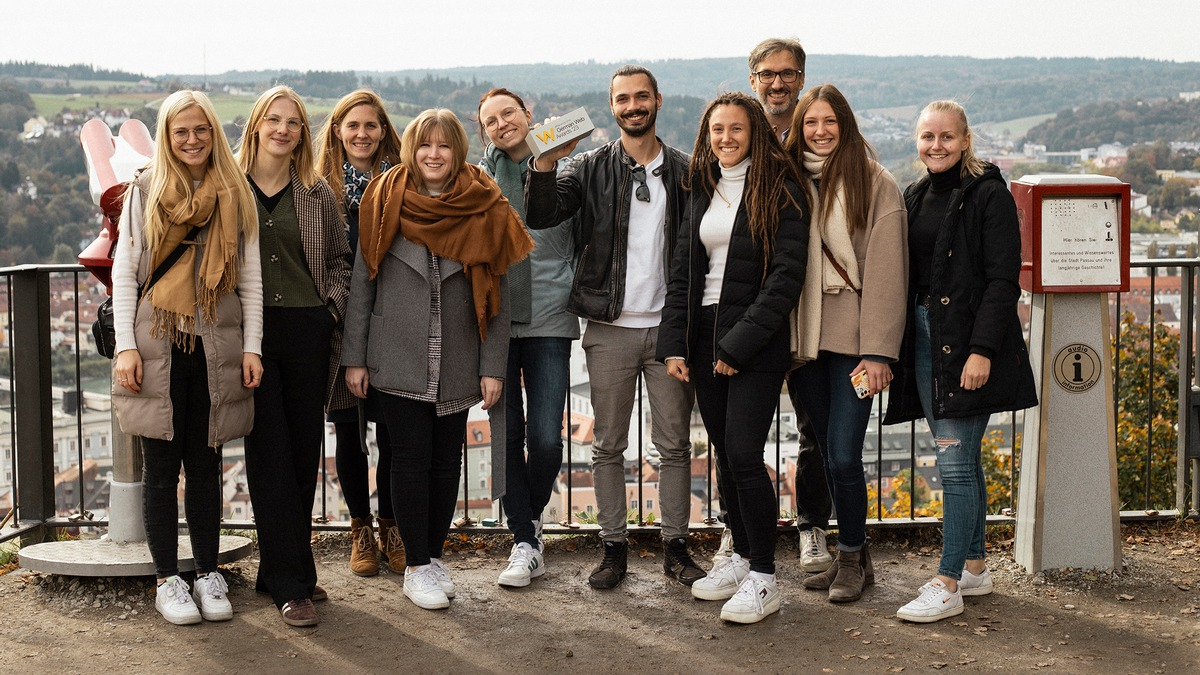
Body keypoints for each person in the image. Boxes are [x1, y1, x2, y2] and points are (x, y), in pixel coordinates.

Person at [343, 108, 532, 611]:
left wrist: (493, 366)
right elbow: (363, 284)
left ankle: (431, 554)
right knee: (408, 459)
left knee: (447, 462)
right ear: (410, 149)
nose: (433, 154)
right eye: (424, 145)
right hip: (396, 353)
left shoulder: (484, 203)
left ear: (458, 151)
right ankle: (418, 566)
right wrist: (354, 358)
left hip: (457, 357)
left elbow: (500, 293)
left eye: (444, 145)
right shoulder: (383, 198)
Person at [524, 65, 704, 590]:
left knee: (673, 447)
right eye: (622, 99)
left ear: (658, 101)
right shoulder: (588, 167)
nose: (632, 106)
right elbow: (541, 213)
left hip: (671, 330)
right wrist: (543, 162)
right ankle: (614, 551)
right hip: (610, 327)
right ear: (611, 106)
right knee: (608, 446)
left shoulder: (687, 171)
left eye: (640, 97)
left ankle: (676, 548)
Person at [110, 89, 262, 626]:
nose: (192, 140)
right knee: (160, 469)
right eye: (181, 132)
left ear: (213, 132)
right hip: (157, 342)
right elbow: (125, 271)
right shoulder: (144, 192)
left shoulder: (233, 190)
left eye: (201, 130)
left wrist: (252, 347)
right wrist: (125, 347)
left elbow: (249, 278)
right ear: (167, 137)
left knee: (206, 465)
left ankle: (206, 572)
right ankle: (167, 579)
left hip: (216, 345)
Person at [657, 92, 808, 623]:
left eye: (736, 129)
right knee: (725, 454)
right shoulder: (703, 187)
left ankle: (766, 576)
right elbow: (683, 273)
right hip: (703, 340)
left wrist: (737, 346)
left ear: (755, 133)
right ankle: (742, 557)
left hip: (755, 344)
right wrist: (675, 343)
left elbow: (786, 277)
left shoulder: (781, 190)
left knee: (745, 454)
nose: (725, 138)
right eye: (717, 130)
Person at [886, 100, 1037, 623]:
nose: (936, 146)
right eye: (928, 137)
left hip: (966, 346)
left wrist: (982, 351)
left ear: (966, 139)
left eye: (946, 137)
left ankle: (947, 582)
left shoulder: (990, 196)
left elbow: (1003, 281)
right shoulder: (916, 194)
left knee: (953, 465)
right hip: (928, 340)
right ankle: (974, 566)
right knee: (963, 458)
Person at [785, 84, 908, 603]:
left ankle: (853, 557)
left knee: (841, 456)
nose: (820, 131)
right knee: (820, 447)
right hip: (805, 339)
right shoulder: (789, 178)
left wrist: (878, 352)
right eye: (810, 122)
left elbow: (886, 274)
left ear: (846, 124)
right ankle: (851, 556)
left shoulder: (875, 183)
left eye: (829, 121)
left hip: (855, 343)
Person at [237, 86, 352, 627]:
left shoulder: (316, 192)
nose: (283, 129)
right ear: (257, 125)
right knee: (268, 458)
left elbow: (340, 260)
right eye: (273, 119)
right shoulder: (229, 189)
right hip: (252, 336)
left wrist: (329, 311)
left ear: (303, 133)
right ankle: (292, 584)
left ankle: (280, 570)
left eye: (293, 122)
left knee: (304, 454)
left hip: (308, 330)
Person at [477, 88, 578, 588]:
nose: (501, 124)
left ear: (528, 114)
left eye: (508, 113)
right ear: (484, 132)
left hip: (551, 316)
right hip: (497, 320)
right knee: (506, 435)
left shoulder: (565, 165)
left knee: (543, 436)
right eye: (491, 120)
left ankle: (530, 519)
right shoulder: (479, 179)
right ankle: (524, 539)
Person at [745, 36, 833, 574]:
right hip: (748, 309)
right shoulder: (738, 135)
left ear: (801, 78)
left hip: (809, 307)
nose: (778, 83)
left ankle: (812, 528)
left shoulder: (818, 136)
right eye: (768, 74)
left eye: (788, 73)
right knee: (743, 433)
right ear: (753, 78)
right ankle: (741, 531)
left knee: (815, 428)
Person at [314, 89, 405, 577]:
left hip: (391, 321)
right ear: (337, 131)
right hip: (340, 323)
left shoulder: (399, 185)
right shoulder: (320, 187)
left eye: (371, 125)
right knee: (349, 433)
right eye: (353, 126)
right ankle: (360, 529)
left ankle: (391, 524)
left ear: (383, 131)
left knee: (390, 431)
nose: (362, 134)